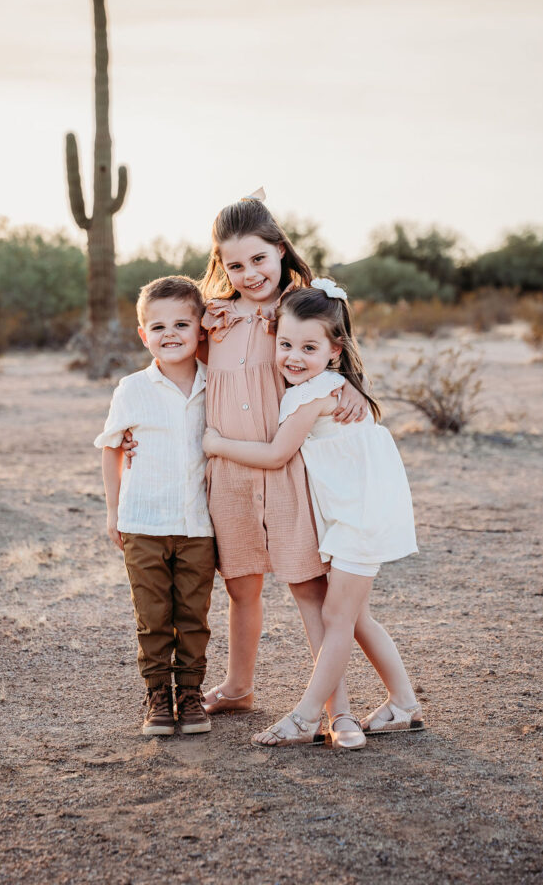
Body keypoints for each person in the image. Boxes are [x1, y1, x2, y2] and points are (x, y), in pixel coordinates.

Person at [203, 279, 422, 748]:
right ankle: (403, 702)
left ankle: (305, 718)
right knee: (357, 616)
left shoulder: (313, 393)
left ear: (335, 350)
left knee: (338, 617)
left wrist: (218, 443)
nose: (292, 357)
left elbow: (277, 454)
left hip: (354, 517)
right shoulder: (332, 386)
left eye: (308, 346)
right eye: (284, 345)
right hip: (360, 511)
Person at [195, 190, 368, 737]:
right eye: (235, 264)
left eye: (259, 259)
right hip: (229, 477)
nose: (249, 273)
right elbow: (177, 368)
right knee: (240, 586)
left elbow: (331, 352)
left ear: (280, 250)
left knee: (307, 590)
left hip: (289, 472)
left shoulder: (296, 309)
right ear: (221, 266)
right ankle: (239, 687)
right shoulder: (214, 320)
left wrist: (354, 390)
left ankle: (336, 710)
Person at [94, 276, 216, 737]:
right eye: (158, 326)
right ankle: (157, 697)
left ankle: (190, 694)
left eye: (182, 323)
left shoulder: (215, 385)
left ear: (201, 328)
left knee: (192, 616)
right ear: (143, 334)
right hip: (143, 520)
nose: (170, 334)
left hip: (198, 524)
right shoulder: (132, 389)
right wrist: (113, 511)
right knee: (152, 616)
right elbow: (111, 447)